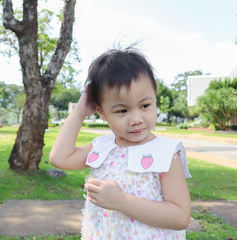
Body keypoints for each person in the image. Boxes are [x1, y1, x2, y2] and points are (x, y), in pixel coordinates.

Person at [49, 47, 191, 239]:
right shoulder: (103, 148)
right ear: (101, 111)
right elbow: (60, 158)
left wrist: (122, 201)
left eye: (145, 106)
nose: (136, 119)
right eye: (122, 111)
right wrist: (79, 112)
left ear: (155, 97)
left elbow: (180, 217)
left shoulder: (166, 153)